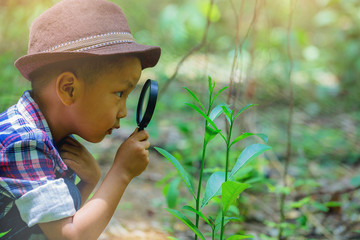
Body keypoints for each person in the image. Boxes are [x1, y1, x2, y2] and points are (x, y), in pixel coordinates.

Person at [0, 0, 161, 239]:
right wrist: (121, 173)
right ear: (69, 89)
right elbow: (69, 236)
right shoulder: (24, 143)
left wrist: (89, 182)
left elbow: (55, 222)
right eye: (119, 93)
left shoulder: (47, 135)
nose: (124, 112)